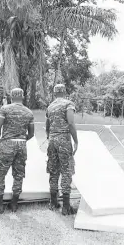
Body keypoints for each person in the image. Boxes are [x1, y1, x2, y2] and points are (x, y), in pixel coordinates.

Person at [0, 88, 35, 213]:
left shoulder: (5, 109)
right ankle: (14, 204)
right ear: (22, 97)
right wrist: (22, 140)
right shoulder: (29, 112)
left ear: (11, 96)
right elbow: (31, 133)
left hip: (6, 143)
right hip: (21, 145)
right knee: (19, 175)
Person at [46, 84, 78, 215]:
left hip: (52, 140)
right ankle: (66, 206)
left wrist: (50, 138)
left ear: (54, 93)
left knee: (53, 170)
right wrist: (76, 140)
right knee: (66, 170)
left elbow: (47, 126)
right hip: (64, 139)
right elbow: (70, 122)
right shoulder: (68, 104)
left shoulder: (50, 106)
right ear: (65, 92)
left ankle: (53, 202)